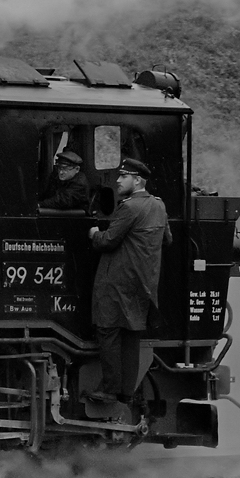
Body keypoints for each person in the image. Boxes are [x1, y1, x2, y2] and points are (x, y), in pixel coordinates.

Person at [85, 158, 172, 404]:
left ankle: (110, 390)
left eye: (123, 177)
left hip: (118, 281)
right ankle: (126, 391)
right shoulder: (158, 205)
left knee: (107, 330)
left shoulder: (130, 207)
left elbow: (107, 241)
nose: (118, 181)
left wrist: (94, 233)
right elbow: (167, 239)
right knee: (131, 334)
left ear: (137, 180)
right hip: (143, 283)